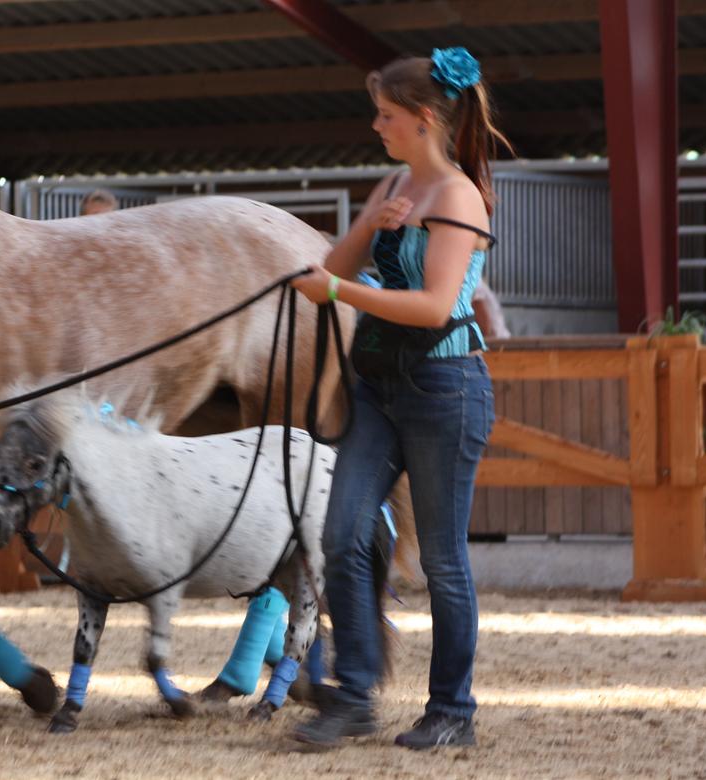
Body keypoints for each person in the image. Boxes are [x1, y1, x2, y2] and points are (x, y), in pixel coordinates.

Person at [290, 47, 510, 750]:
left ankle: (453, 710)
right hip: (379, 385)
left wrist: (342, 295)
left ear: (421, 119)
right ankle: (353, 694)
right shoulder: (399, 182)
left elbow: (438, 305)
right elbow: (332, 264)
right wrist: (371, 223)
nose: (376, 126)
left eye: (386, 115)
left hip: (445, 387)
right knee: (341, 532)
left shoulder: (458, 198)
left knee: (443, 559)